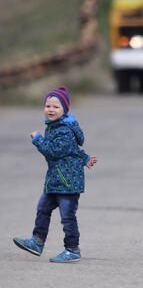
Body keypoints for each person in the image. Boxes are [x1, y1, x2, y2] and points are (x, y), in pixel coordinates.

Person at [13, 86, 97, 263]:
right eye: (48, 106)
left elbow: (53, 151)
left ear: (65, 110)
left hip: (67, 183)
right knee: (43, 209)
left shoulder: (63, 130)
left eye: (56, 107)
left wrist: (38, 139)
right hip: (55, 180)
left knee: (67, 217)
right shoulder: (55, 126)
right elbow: (73, 150)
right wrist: (85, 158)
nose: (50, 109)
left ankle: (72, 249)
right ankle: (37, 242)